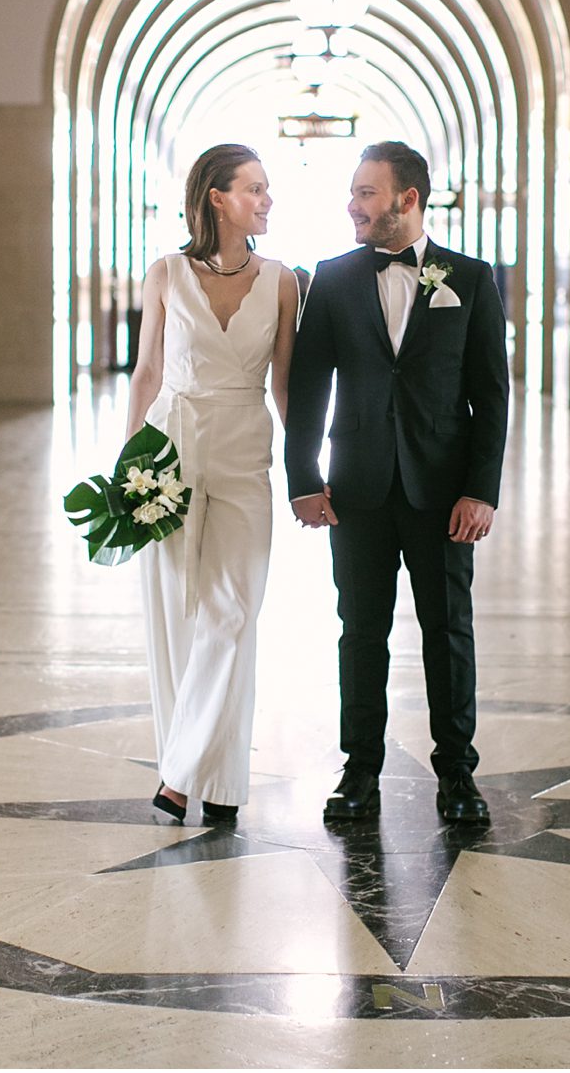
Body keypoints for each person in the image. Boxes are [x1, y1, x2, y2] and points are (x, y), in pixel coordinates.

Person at [283, 140, 509, 826]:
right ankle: (360, 770)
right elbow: (308, 386)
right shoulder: (334, 279)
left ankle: (458, 774)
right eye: (354, 193)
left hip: (444, 493)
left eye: (366, 193)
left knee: (449, 631)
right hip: (357, 489)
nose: (352, 205)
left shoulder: (470, 279)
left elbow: (491, 395)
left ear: (407, 200)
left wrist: (481, 490)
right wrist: (303, 477)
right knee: (361, 632)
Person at [125, 145, 299, 826]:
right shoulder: (166, 273)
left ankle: (180, 772)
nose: (266, 200)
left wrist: (308, 472)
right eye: (254, 188)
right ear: (217, 199)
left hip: (244, 454)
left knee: (232, 612)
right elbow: (146, 372)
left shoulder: (282, 282)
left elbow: (284, 384)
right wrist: (127, 469)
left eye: (267, 189)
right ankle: (218, 782)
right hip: (169, 450)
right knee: (178, 614)